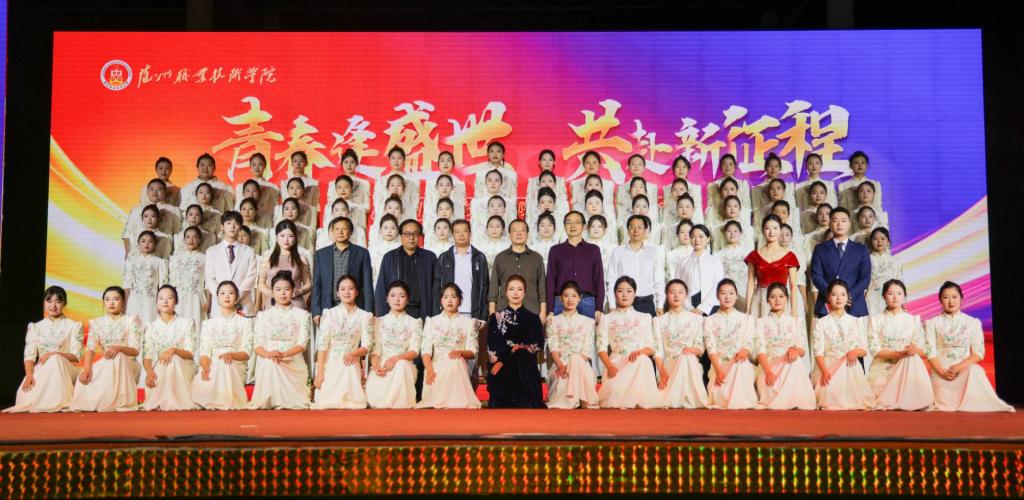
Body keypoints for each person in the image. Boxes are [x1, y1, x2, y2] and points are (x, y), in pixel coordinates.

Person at [925, 282, 1014, 412]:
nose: (951, 301)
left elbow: (978, 353)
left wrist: (959, 367)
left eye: (954, 297)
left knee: (975, 370)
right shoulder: (932, 323)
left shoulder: (972, 322)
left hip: (964, 370)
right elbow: (930, 353)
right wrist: (943, 373)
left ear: (961, 298)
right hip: (941, 371)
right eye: (946, 297)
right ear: (940, 300)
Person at [5, 287, 84, 413]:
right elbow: (29, 356)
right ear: (44, 302)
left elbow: (77, 356)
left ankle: (60, 402)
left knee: (56, 359)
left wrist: (55, 354)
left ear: (64, 303)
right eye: (49, 301)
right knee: (25, 395)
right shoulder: (36, 327)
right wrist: (29, 375)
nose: (53, 305)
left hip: (67, 368)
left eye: (58, 301)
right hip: (43, 368)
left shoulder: (74, 326)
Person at [69, 287, 142, 412]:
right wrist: (87, 369)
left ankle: (121, 402)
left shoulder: (132, 320)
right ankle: (103, 402)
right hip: (107, 363)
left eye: (116, 299)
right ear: (103, 302)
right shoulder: (97, 323)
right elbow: (90, 348)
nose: (111, 303)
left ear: (123, 301)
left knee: (118, 356)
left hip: (128, 363)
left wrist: (119, 348)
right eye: (107, 299)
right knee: (85, 378)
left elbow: (135, 350)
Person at [596, 277, 665, 409]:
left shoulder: (645, 317)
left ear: (635, 294)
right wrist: (609, 366)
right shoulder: (606, 318)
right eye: (620, 291)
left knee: (643, 360)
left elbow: (651, 347)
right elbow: (601, 347)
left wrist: (639, 352)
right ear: (614, 294)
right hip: (615, 364)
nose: (624, 295)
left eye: (629, 291)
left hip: (637, 362)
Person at [865, 280, 932, 411]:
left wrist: (913, 350)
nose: (895, 297)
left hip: (907, 368)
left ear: (904, 296)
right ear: (884, 296)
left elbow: (923, 350)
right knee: (878, 400)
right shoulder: (875, 320)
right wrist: (898, 354)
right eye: (891, 293)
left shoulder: (913, 320)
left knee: (912, 357)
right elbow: (874, 350)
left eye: (899, 293)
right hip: (882, 368)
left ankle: (913, 399)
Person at [249, 271, 311, 410]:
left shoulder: (302, 315)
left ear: (293, 291)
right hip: (269, 358)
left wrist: (284, 354)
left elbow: (302, 344)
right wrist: (269, 354)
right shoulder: (263, 316)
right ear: (272, 292)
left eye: (287, 289)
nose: (283, 293)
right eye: (278, 289)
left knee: (276, 363)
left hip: (293, 358)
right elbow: (258, 345)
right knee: (271, 364)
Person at [311, 275, 374, 410]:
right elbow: (322, 345)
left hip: (351, 360)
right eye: (343, 289)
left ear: (357, 292)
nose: (347, 292)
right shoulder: (329, 314)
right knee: (324, 402)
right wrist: (320, 372)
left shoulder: (365, 316)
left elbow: (367, 345)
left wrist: (354, 354)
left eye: (351, 288)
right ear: (337, 293)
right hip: (331, 361)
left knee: (349, 366)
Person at [811, 279, 874, 410]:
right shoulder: (821, 323)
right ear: (828, 297)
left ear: (848, 297)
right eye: (834, 294)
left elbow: (864, 349)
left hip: (850, 367)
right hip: (829, 367)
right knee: (828, 399)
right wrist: (824, 371)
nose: (839, 298)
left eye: (843, 294)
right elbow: (818, 351)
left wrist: (854, 352)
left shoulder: (856, 321)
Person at [417, 283, 482, 409]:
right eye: (446, 297)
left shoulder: (468, 322)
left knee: (456, 361)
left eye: (454, 297)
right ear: (441, 300)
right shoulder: (432, 321)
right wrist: (429, 369)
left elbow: (473, 351)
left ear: (460, 301)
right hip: (436, 366)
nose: (449, 300)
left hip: (459, 365)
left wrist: (461, 353)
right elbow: (425, 350)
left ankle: (456, 402)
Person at [191, 281, 253, 410]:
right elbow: (204, 352)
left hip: (235, 364)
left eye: (231, 293)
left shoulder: (245, 322)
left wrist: (231, 355)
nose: (227, 296)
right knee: (217, 365)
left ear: (237, 298)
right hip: (212, 364)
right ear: (217, 298)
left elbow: (246, 353)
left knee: (224, 364)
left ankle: (220, 401)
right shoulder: (208, 324)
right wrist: (205, 367)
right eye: (223, 293)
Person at [753, 283, 816, 410]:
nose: (777, 300)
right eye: (773, 297)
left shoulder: (795, 321)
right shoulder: (761, 322)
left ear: (787, 299)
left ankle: (794, 400)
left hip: (789, 364)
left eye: (781, 296)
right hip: (769, 367)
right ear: (767, 300)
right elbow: (760, 351)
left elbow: (802, 349)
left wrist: (794, 351)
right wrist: (768, 372)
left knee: (794, 360)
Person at [486, 275, 546, 408]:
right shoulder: (496, 318)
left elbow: (539, 344)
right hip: (501, 363)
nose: (515, 293)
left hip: (525, 365)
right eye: (511, 289)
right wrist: (498, 361)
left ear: (524, 292)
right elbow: (491, 344)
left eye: (519, 289)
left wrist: (522, 348)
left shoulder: (534, 318)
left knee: (521, 355)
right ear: (506, 292)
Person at [141, 285, 198, 411]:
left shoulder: (187, 323)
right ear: (156, 302)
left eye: (169, 298)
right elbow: (147, 356)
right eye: (161, 298)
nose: (165, 301)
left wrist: (174, 351)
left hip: (184, 366)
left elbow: (190, 354)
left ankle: (176, 401)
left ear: (176, 301)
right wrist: (149, 372)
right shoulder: (151, 326)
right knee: (166, 364)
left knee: (174, 360)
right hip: (161, 366)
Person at [367, 281, 422, 409]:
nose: (397, 299)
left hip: (405, 366)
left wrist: (397, 358)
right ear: (387, 299)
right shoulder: (379, 321)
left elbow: (414, 351)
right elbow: (375, 350)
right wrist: (376, 366)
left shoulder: (415, 323)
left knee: (402, 365)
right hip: (383, 366)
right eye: (393, 295)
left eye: (402, 296)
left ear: (407, 299)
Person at [703, 279, 758, 410]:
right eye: (723, 293)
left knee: (740, 364)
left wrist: (745, 351)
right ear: (717, 296)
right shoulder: (709, 320)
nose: (727, 297)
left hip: (740, 362)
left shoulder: (747, 319)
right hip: (719, 365)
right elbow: (711, 348)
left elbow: (749, 342)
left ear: (736, 296)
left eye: (731, 293)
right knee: (720, 398)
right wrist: (718, 370)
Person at [655, 280, 709, 409]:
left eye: (680, 292)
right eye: (672, 292)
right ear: (666, 295)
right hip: (668, 365)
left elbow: (700, 348)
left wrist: (690, 350)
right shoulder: (659, 320)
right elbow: (658, 350)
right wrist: (662, 371)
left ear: (686, 295)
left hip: (690, 364)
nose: (676, 296)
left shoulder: (697, 319)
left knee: (686, 357)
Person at [545, 281, 599, 409]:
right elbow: (553, 347)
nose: (570, 300)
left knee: (577, 364)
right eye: (566, 296)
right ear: (560, 298)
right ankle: (579, 399)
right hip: (560, 365)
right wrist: (561, 366)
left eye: (574, 296)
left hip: (581, 365)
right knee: (561, 380)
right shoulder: (553, 321)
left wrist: (572, 366)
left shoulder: (588, 322)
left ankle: (582, 399)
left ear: (580, 298)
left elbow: (586, 351)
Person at [810, 207, 871, 317]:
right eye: (835, 220)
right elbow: (816, 276)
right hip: (827, 303)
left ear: (849, 224)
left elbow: (865, 278)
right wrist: (832, 294)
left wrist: (848, 295)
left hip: (854, 304)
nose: (839, 224)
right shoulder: (820, 249)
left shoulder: (861, 250)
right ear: (830, 224)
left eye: (843, 221)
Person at [312, 216, 374, 321]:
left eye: (344, 229)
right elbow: (317, 285)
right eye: (337, 229)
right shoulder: (321, 254)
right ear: (332, 232)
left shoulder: (362, 253)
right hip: (328, 307)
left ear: (350, 232)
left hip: (355, 307)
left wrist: (369, 311)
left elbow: (367, 284)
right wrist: (316, 312)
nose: (340, 232)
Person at [545, 211, 605, 320]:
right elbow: (550, 281)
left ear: (583, 226)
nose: (572, 226)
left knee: (588, 331)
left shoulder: (593, 250)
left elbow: (599, 280)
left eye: (577, 222)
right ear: (564, 226)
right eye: (569, 223)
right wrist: (550, 310)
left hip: (587, 302)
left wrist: (599, 308)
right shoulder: (555, 250)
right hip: (561, 302)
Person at [374, 220, 437, 319]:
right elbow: (381, 289)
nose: (411, 237)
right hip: (396, 313)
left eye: (415, 234)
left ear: (420, 236)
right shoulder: (390, 258)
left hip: (423, 312)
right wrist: (382, 317)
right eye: (407, 234)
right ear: (400, 236)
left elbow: (436, 290)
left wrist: (435, 316)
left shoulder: (430, 258)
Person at [605, 215, 665, 317]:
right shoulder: (618, 252)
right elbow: (611, 280)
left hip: (646, 303)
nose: (636, 230)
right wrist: (611, 304)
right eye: (632, 227)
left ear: (645, 230)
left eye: (639, 227)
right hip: (623, 302)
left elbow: (659, 280)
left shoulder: (653, 252)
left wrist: (660, 305)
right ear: (628, 231)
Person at [488, 219, 547, 319]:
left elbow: (542, 288)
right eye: (515, 230)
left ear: (527, 234)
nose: (519, 234)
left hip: (531, 311)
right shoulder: (500, 258)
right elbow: (493, 288)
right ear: (509, 235)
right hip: (504, 312)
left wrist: (543, 312)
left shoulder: (536, 258)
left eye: (522, 230)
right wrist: (492, 312)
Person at [744, 215, 801, 317]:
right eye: (767, 228)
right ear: (763, 230)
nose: (771, 232)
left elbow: (793, 286)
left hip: (781, 299)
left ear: (780, 230)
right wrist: (747, 309)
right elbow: (750, 283)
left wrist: (794, 311)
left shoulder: (790, 256)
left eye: (775, 228)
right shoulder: (754, 255)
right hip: (759, 300)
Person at [205, 211, 259, 316]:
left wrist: (236, 296)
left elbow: (251, 277)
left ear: (240, 227)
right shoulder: (211, 251)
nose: (232, 226)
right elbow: (210, 279)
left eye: (236, 223)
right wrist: (222, 297)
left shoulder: (249, 251)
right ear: (222, 226)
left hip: (243, 304)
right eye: (228, 223)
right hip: (220, 306)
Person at [258, 220, 312, 311]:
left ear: (295, 238)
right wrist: (270, 293)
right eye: (282, 236)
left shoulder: (301, 259)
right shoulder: (268, 258)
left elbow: (308, 283)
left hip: (295, 303)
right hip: (273, 303)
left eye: (290, 236)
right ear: (276, 238)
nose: (286, 240)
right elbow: (261, 283)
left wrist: (300, 291)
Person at [675, 225, 724, 315]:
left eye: (701, 236)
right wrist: (689, 307)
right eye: (693, 237)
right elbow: (678, 286)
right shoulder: (682, 262)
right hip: (689, 306)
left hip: (711, 305)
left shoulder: (715, 261)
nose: (697, 239)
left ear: (708, 239)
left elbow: (718, 284)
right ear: (690, 239)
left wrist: (703, 307)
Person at [124, 231, 169, 324]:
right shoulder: (131, 261)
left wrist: (161, 305)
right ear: (138, 244)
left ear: (155, 245)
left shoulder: (160, 262)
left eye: (150, 241)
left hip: (151, 302)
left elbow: (163, 287)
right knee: (133, 326)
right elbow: (127, 285)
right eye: (143, 241)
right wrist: (124, 304)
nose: (146, 244)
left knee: (149, 326)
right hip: (133, 301)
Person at [169, 226, 208, 332]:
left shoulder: (205, 258)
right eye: (188, 237)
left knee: (196, 325)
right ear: (184, 240)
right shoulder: (175, 258)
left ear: (200, 240)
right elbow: (172, 281)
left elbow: (207, 282)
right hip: (179, 297)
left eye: (195, 237)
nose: (191, 240)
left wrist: (208, 301)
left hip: (196, 298)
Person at [373, 147, 420, 220]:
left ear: (404, 160)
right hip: (386, 218)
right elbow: (377, 202)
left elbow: (415, 203)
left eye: (399, 158)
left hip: (406, 216)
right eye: (393, 158)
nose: (396, 161)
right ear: (389, 160)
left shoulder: (412, 181)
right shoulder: (382, 180)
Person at [234, 153, 279, 227]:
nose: (257, 167)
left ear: (265, 166)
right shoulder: (241, 186)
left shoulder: (272, 187)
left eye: (260, 164)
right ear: (250, 167)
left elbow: (274, 207)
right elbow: (238, 207)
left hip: (264, 221)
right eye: (254, 165)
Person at [866, 228, 903, 316]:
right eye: (875, 239)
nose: (879, 242)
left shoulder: (895, 261)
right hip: (872, 297)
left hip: (891, 297)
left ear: (888, 241)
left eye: (882, 239)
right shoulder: (866, 260)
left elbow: (899, 281)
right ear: (871, 242)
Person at [718, 221, 751, 312]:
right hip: (726, 294)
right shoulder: (718, 255)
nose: (732, 234)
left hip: (744, 292)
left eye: (735, 231)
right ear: (724, 233)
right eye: (729, 231)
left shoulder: (748, 253)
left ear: (741, 233)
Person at [661, 156, 704, 222]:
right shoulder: (667, 189)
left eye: (684, 167)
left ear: (688, 170)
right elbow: (666, 210)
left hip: (690, 223)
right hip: (671, 222)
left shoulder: (695, 188)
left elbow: (698, 210)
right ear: (673, 170)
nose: (681, 169)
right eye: (678, 167)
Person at [369, 215, 401, 285]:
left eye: (393, 228)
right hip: (378, 284)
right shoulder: (373, 249)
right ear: (380, 230)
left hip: (397, 285)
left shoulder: (401, 248)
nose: (389, 231)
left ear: (397, 230)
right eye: (385, 228)